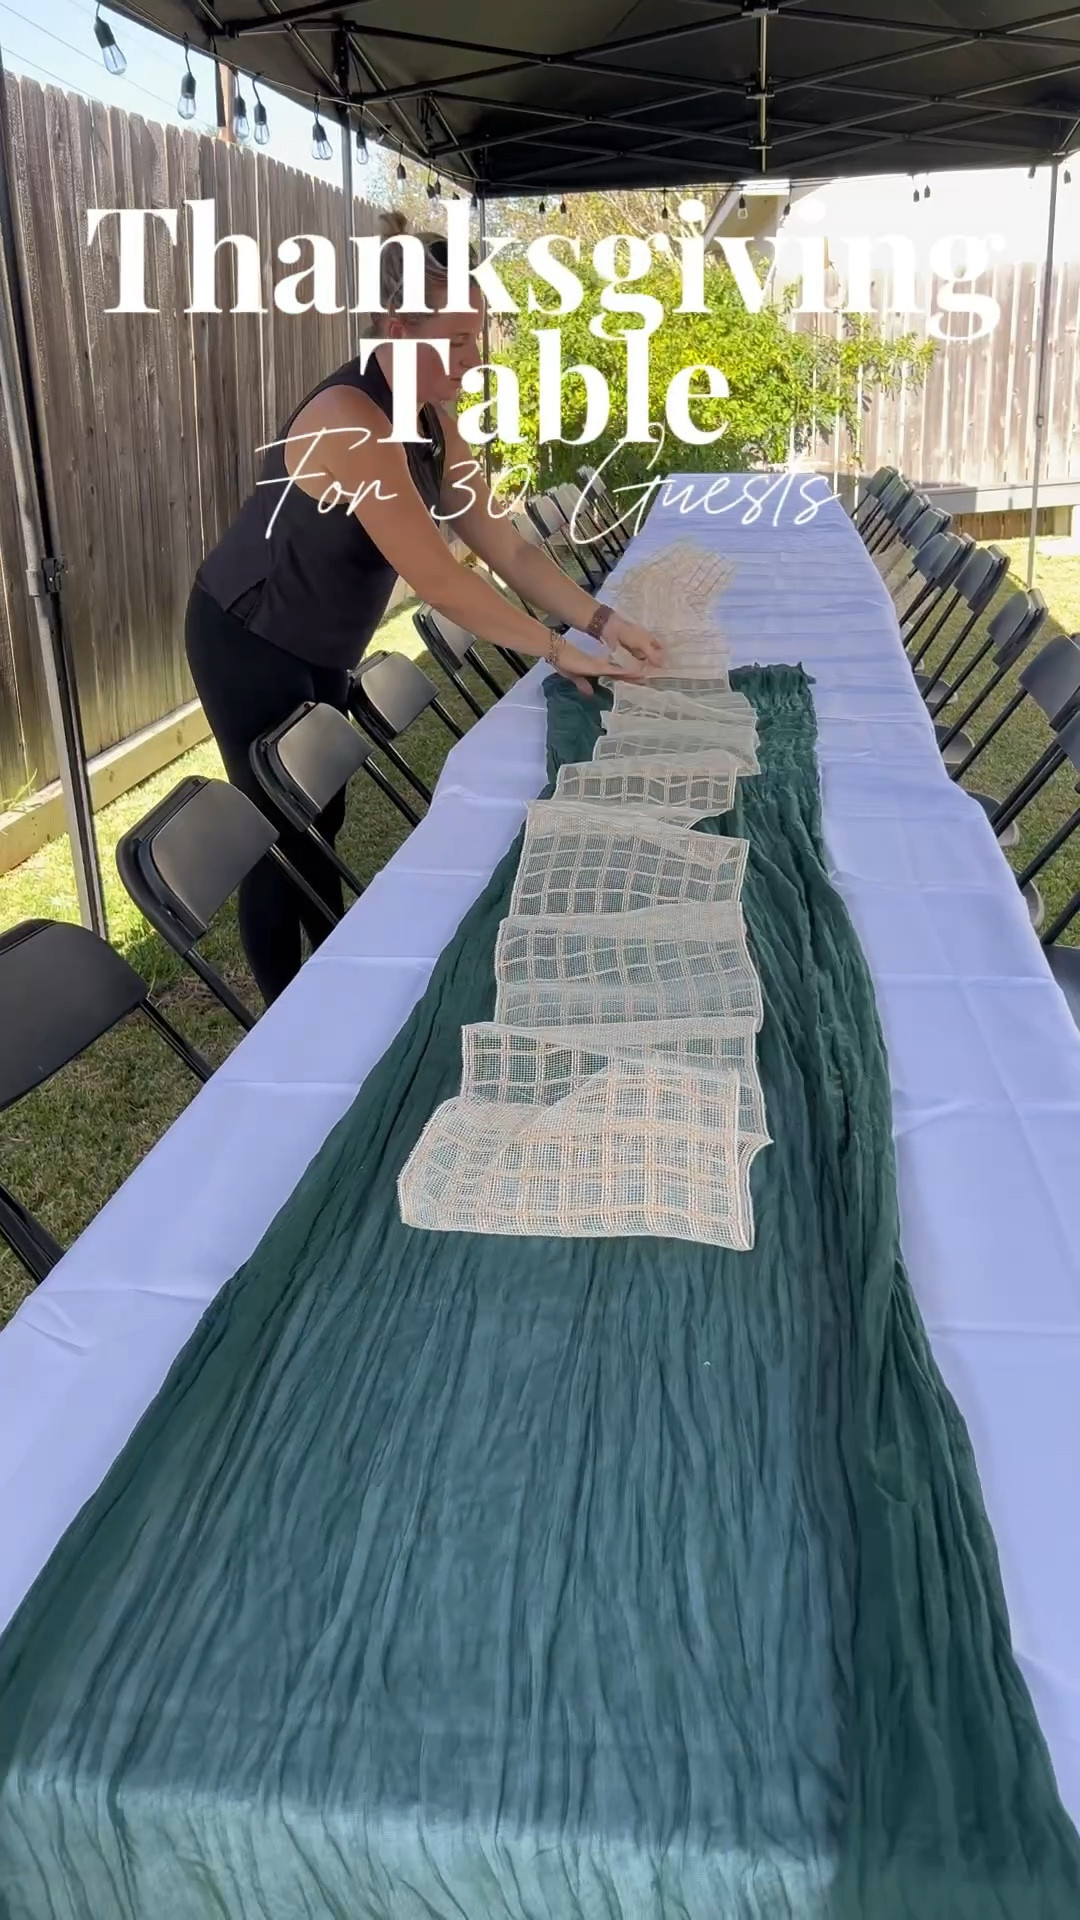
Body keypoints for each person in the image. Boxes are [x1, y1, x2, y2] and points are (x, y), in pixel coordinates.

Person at [185, 214, 662, 1005]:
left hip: (320, 641)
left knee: (322, 814)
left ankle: (323, 980)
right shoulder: (352, 421)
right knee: (280, 830)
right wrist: (554, 647)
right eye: (457, 341)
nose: (474, 362)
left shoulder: (432, 417)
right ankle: (289, 1013)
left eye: (477, 340)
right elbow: (440, 581)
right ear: (397, 330)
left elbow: (503, 548)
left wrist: (602, 623)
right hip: (249, 633)